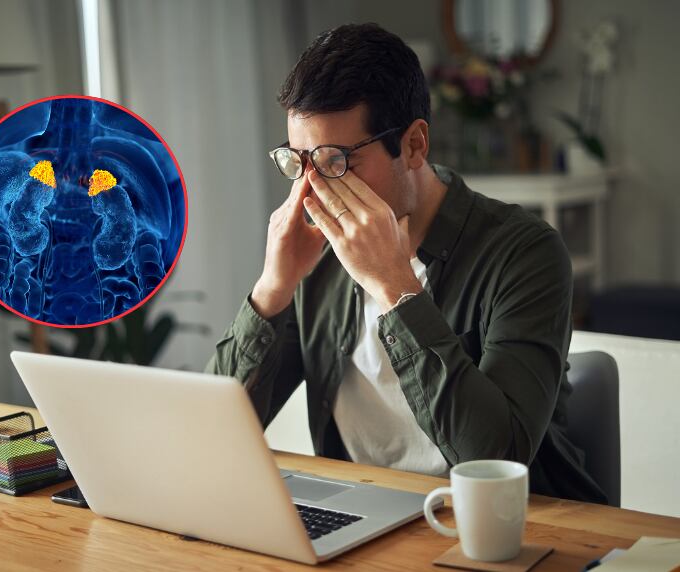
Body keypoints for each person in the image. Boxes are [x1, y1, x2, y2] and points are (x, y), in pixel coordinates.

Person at [205, 22, 606, 504]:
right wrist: (273, 289)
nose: (314, 189)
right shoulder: (316, 256)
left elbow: (495, 458)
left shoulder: (524, 252)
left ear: (414, 144)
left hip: (499, 525)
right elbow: (213, 435)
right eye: (299, 162)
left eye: (335, 161)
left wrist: (396, 287)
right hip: (361, 513)